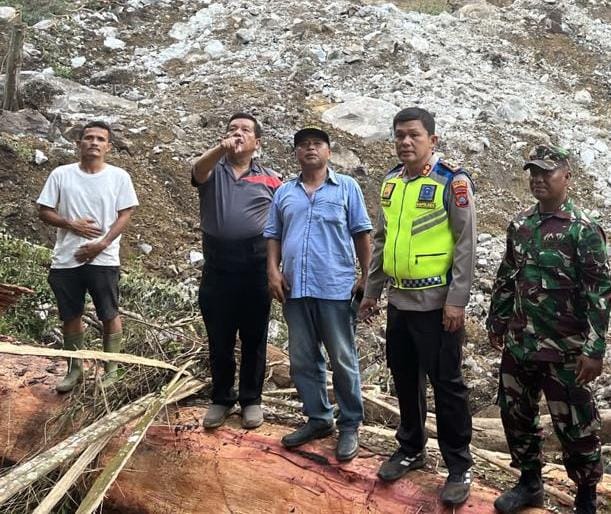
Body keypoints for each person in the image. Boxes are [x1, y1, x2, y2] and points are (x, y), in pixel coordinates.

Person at [359, 107, 476, 505]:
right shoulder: (392, 183)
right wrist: (372, 292)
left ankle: (459, 464)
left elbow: (466, 245)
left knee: (447, 385)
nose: (405, 142)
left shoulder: (451, 182)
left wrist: (457, 300)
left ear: (432, 140)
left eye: (413, 135)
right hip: (399, 301)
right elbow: (381, 238)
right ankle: (411, 447)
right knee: (405, 378)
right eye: (399, 136)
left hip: (437, 303)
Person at [487, 145, 611, 514]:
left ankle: (586, 495)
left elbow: (599, 294)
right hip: (521, 344)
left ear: (566, 177)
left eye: (547, 172)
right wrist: (497, 320)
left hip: (565, 351)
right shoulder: (521, 225)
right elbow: (507, 277)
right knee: (516, 416)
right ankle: (529, 483)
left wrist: (594, 349)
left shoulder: (583, 230)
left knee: (576, 427)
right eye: (533, 173)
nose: (538, 179)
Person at [264, 127, 372, 462]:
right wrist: (273, 270)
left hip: (335, 286)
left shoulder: (347, 189)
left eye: (316, 144)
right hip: (296, 288)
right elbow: (273, 234)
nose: (310, 149)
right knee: (302, 358)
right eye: (303, 145)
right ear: (296, 153)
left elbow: (361, 233)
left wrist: (367, 276)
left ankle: (350, 423)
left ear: (328, 151)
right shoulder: (284, 192)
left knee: (342, 357)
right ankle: (318, 418)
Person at [191, 112, 282, 430]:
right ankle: (220, 398)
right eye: (232, 129)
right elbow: (197, 170)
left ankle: (251, 400)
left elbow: (282, 224)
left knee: (255, 336)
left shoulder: (271, 178)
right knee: (220, 336)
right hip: (217, 264)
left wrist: (277, 268)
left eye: (245, 130)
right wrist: (220, 147)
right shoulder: (212, 169)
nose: (237, 133)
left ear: (257, 142)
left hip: (255, 264)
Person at [37, 120, 138, 392]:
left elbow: (126, 213)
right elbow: (44, 210)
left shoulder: (119, 177)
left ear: (108, 146)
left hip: (103, 259)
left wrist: (102, 243)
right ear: (78, 143)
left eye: (100, 139)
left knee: (108, 311)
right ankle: (74, 370)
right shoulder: (61, 174)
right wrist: (71, 224)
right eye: (89, 138)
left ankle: (111, 368)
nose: (94, 142)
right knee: (70, 313)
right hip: (66, 257)